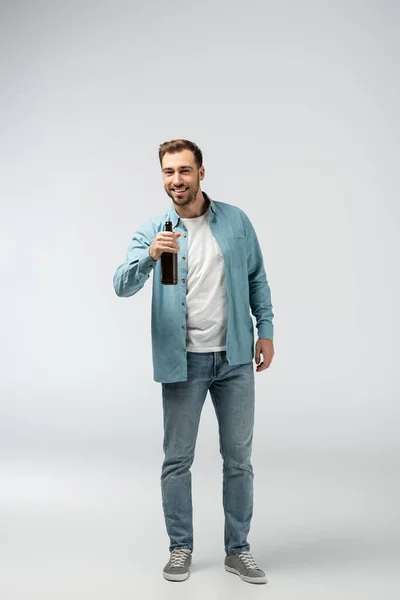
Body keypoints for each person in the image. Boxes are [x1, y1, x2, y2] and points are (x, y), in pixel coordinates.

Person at [113, 139, 274, 585]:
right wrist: (150, 257)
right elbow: (121, 286)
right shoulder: (154, 229)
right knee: (177, 459)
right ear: (162, 177)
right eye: (168, 172)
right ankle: (180, 547)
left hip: (236, 357)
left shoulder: (236, 221)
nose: (176, 181)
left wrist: (268, 332)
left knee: (238, 459)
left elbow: (257, 278)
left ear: (201, 172)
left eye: (184, 171)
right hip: (183, 363)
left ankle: (237, 550)